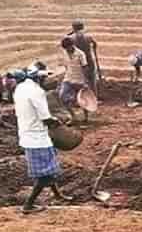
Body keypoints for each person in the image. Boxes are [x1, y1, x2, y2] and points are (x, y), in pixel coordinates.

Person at [14, 61, 72, 214]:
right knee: (45, 175)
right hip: (37, 138)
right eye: (46, 78)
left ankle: (58, 195)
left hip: (27, 134)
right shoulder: (36, 92)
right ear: (39, 78)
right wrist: (59, 122)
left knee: (49, 168)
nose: (48, 81)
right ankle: (28, 205)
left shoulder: (21, 88)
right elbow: (46, 119)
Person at [59, 37, 90, 124]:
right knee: (62, 96)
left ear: (72, 45)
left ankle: (86, 118)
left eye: (68, 48)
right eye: (65, 49)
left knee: (83, 99)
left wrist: (86, 81)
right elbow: (66, 65)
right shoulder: (64, 52)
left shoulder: (80, 54)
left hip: (79, 79)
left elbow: (85, 68)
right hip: (68, 78)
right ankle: (73, 116)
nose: (67, 50)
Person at [68, 20, 99, 98]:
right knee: (92, 81)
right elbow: (95, 45)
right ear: (83, 27)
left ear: (73, 28)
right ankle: (94, 98)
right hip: (89, 61)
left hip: (78, 63)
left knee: (78, 81)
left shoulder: (70, 38)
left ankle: (80, 99)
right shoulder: (88, 37)